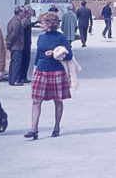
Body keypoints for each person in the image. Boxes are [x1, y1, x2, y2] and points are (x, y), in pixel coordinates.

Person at [26, 11, 73, 139]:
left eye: (42, 23)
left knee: (57, 101)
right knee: (36, 100)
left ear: (50, 24)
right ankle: (34, 130)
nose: (40, 25)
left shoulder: (60, 37)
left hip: (56, 71)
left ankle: (56, 127)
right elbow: (37, 56)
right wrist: (35, 71)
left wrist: (55, 53)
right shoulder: (41, 37)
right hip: (41, 71)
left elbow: (69, 55)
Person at [6, 7, 26, 86]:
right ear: (19, 13)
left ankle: (11, 79)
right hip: (16, 46)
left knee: (13, 62)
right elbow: (14, 35)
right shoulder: (16, 22)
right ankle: (14, 80)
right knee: (16, 63)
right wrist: (9, 43)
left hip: (14, 46)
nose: (24, 14)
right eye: (23, 12)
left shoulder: (14, 20)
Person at [18, 6, 34, 84]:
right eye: (31, 10)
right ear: (28, 11)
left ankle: (24, 76)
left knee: (27, 59)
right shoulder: (24, 20)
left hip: (28, 42)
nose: (32, 12)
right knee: (24, 59)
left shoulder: (28, 19)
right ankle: (22, 77)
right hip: (24, 43)